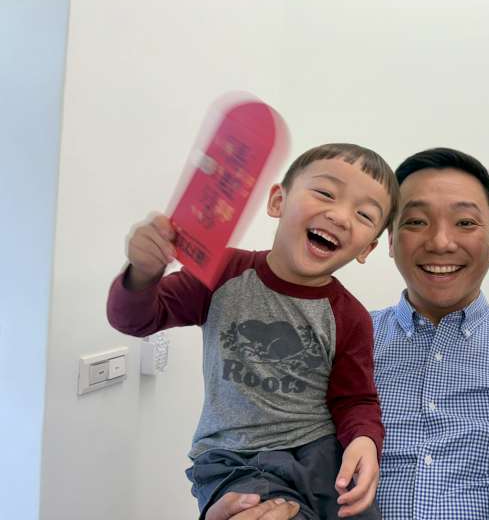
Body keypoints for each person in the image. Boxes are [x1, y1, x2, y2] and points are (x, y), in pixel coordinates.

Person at [214, 147, 489, 520]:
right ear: (389, 240)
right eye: (416, 221)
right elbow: (257, 444)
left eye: (465, 222)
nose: (440, 242)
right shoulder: (330, 341)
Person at [107, 143, 399, 519]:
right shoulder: (223, 272)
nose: (340, 216)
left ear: (367, 248)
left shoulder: (350, 316)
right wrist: (143, 273)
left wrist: (364, 440)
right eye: (325, 193)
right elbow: (135, 319)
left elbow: (355, 399)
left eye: (363, 214)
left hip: (322, 455)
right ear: (278, 201)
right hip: (235, 458)